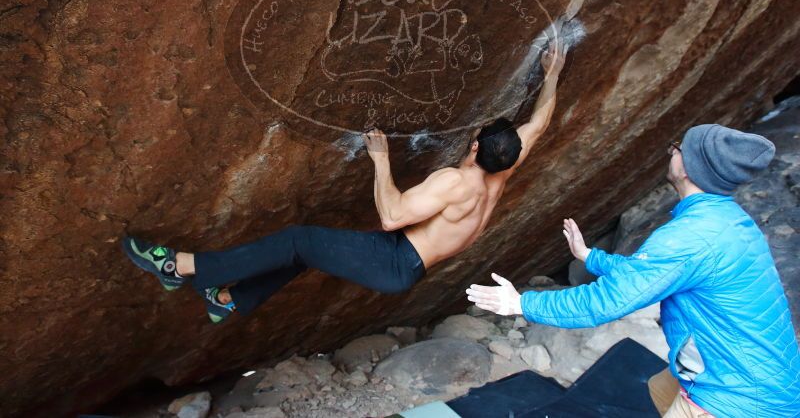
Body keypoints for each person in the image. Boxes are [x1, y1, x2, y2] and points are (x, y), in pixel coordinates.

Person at [122, 39, 567, 323]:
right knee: (311, 250)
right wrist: (552, 75)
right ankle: (231, 300)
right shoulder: (504, 166)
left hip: (395, 258)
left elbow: (392, 217)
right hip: (404, 263)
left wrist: (380, 160)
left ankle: (181, 267)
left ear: (475, 149)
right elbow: (540, 123)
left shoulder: (457, 182)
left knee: (297, 240)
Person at [466, 124, 800, 417]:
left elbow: (605, 303)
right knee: (659, 388)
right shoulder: (728, 222)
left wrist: (522, 304)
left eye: (679, 147)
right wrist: (591, 257)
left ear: (688, 169)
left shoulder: (690, 237)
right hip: (765, 377)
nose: (672, 150)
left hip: (736, 399)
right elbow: (653, 274)